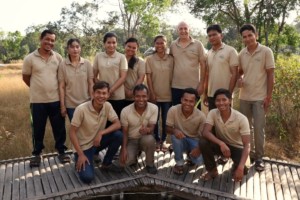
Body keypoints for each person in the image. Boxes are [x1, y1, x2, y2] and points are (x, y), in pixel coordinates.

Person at [22, 29, 69, 167]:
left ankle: (61, 151)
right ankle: (36, 154)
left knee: (59, 128)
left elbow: (61, 79)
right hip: (37, 102)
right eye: (47, 39)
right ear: (40, 39)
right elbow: (26, 78)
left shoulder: (58, 57)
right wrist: (38, 89)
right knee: (38, 129)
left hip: (55, 100)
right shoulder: (30, 58)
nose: (50, 42)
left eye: (52, 40)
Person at [237, 24, 275, 172]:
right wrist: (240, 78)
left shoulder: (266, 51)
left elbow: (271, 75)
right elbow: (240, 71)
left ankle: (259, 158)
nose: (247, 39)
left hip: (260, 97)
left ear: (256, 35)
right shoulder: (242, 54)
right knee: (246, 129)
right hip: (244, 96)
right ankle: (248, 156)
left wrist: (269, 97)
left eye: (250, 35)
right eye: (245, 37)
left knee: (259, 128)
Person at [69, 81, 123, 183]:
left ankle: (106, 164)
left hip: (97, 142)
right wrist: (80, 154)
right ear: (93, 94)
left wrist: (101, 133)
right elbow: (72, 132)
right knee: (87, 178)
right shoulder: (81, 109)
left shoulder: (107, 106)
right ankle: (78, 158)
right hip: (83, 148)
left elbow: (118, 124)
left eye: (104, 93)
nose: (101, 96)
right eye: (98, 92)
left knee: (119, 135)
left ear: (108, 95)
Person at [199, 88, 250, 182]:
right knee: (203, 141)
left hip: (237, 147)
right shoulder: (213, 113)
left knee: (244, 171)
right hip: (221, 145)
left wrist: (240, 168)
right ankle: (212, 170)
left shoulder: (241, 118)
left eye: (224, 100)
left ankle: (236, 166)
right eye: (218, 100)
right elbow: (205, 132)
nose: (221, 103)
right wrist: (221, 144)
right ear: (215, 102)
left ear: (230, 101)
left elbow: (247, 144)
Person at [120, 84, 158, 174]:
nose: (141, 99)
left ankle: (150, 164)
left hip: (144, 137)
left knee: (149, 139)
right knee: (124, 163)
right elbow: (124, 132)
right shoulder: (125, 111)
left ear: (148, 96)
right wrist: (123, 149)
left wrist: (147, 130)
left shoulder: (154, 108)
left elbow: (152, 127)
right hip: (131, 140)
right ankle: (134, 156)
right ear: (133, 97)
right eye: (138, 96)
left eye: (144, 96)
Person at [166, 88, 206, 175]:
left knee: (200, 160)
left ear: (195, 102)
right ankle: (179, 163)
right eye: (185, 100)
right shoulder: (173, 110)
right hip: (180, 139)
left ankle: (190, 156)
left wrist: (199, 149)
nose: (187, 103)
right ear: (181, 100)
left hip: (194, 140)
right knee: (175, 136)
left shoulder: (201, 116)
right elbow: (167, 128)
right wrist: (174, 130)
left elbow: (204, 136)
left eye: (191, 101)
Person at [146, 34, 174, 151]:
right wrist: (151, 93)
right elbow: (148, 77)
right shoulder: (150, 59)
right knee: (155, 119)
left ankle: (163, 141)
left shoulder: (171, 59)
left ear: (166, 43)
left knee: (166, 119)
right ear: (154, 45)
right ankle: (156, 140)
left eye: (162, 43)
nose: (160, 45)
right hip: (155, 94)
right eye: (157, 43)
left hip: (168, 95)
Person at [169, 21, 206, 106]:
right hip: (176, 86)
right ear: (177, 30)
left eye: (185, 28)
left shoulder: (198, 44)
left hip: (193, 86)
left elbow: (203, 64)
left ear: (189, 30)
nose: (183, 31)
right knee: (177, 112)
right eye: (180, 29)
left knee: (194, 113)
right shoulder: (173, 45)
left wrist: (201, 84)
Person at [93, 32, 128, 117]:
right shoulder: (98, 56)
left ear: (117, 43)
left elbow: (123, 77)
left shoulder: (121, 57)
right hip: (102, 97)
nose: (111, 45)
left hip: (118, 96)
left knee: (117, 121)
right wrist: (103, 91)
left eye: (114, 42)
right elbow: (93, 76)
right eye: (109, 42)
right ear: (104, 43)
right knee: (104, 122)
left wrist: (110, 90)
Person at [204, 24, 238, 110]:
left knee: (226, 122)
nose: (212, 37)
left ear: (221, 35)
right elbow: (207, 75)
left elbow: (235, 73)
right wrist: (205, 94)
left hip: (225, 96)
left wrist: (229, 94)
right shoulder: (208, 53)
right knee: (213, 121)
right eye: (209, 36)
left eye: (214, 34)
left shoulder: (230, 51)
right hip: (211, 96)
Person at [58, 38, 94, 121]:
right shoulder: (62, 65)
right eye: (72, 47)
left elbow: (91, 83)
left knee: (88, 127)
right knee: (76, 129)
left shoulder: (87, 63)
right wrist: (62, 106)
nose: (75, 49)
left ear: (80, 48)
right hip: (71, 105)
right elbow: (61, 87)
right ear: (68, 49)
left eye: (77, 47)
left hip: (86, 102)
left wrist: (93, 101)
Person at [123, 37, 145, 107]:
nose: (131, 49)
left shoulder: (140, 61)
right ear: (125, 46)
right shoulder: (119, 59)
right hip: (121, 94)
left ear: (137, 49)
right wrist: (126, 91)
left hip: (136, 95)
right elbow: (117, 77)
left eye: (134, 48)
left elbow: (141, 78)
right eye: (129, 46)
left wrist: (132, 92)